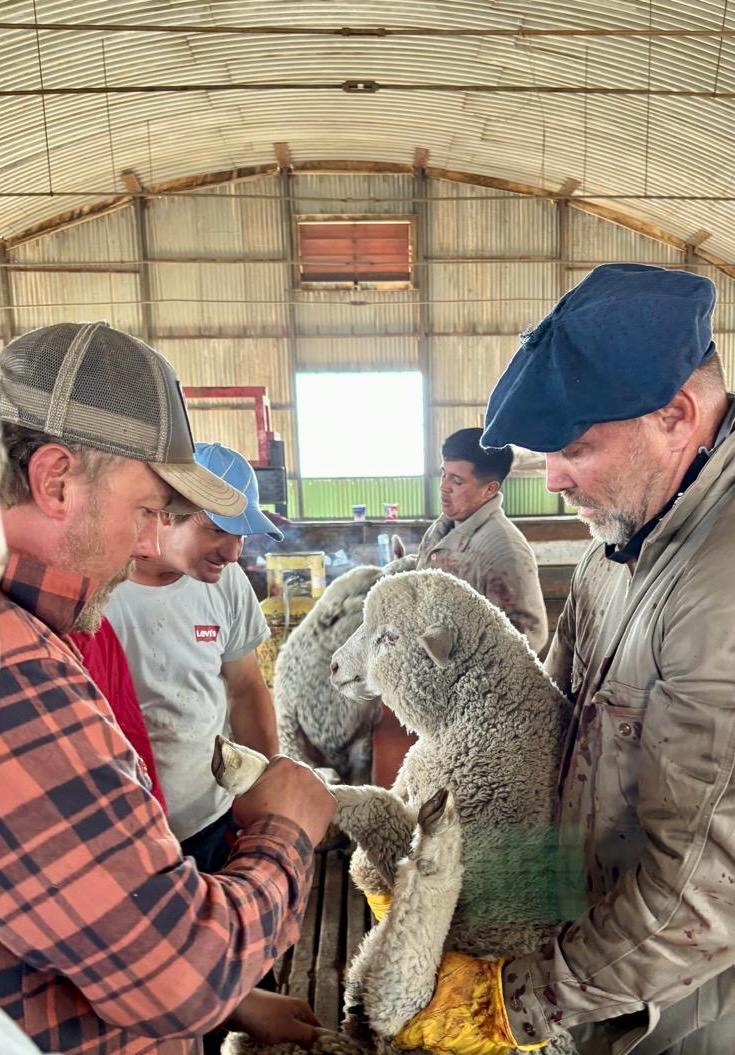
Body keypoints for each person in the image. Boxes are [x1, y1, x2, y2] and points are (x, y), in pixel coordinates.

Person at [392, 263, 735, 1055]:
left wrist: (512, 1000)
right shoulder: (613, 552)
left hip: (691, 1015)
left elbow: (705, 889)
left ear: (676, 415)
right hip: (597, 976)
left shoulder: (718, 587)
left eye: (575, 448)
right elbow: (546, 737)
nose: (550, 479)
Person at [0, 321, 335, 1055]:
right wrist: (286, 829)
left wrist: (235, 1000)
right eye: (147, 509)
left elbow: (79, 929)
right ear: (56, 481)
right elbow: (177, 976)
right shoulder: (15, 670)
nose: (150, 542)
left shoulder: (49, 630)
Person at [107, 442, 282, 872]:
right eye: (217, 529)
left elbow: (245, 689)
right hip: (122, 827)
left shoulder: (227, 583)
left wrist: (267, 793)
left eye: (241, 535)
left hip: (208, 817)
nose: (233, 552)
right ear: (167, 511)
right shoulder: (100, 587)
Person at [416, 428, 548, 653]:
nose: (443, 487)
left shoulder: (504, 550)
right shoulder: (440, 529)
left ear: (490, 489)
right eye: (444, 474)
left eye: (457, 481)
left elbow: (527, 637)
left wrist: (461, 661)